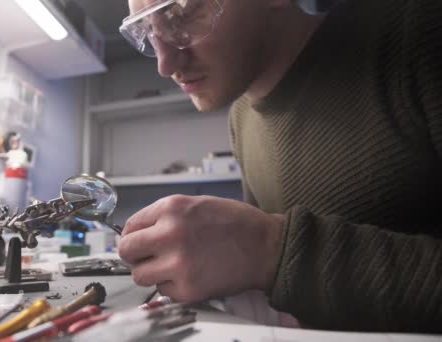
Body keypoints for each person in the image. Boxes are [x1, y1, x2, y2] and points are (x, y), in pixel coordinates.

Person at [116, 0, 442, 333]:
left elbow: (274, 259)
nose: (165, 63)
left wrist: (269, 249)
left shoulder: (420, 34)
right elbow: (289, 291)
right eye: (147, 31)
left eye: (181, 15)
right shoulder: (241, 118)